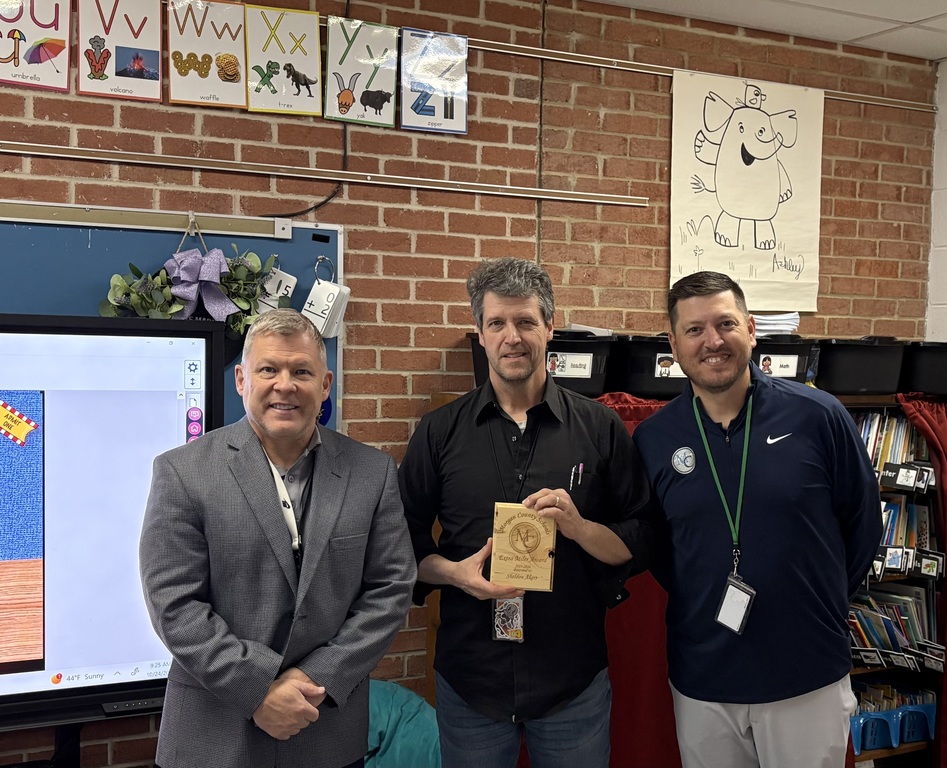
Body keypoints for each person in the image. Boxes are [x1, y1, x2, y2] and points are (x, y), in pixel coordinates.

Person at [398, 257, 654, 768]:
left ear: (550, 327)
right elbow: (401, 544)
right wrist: (456, 574)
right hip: (472, 681)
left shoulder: (599, 428)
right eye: (497, 323)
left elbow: (641, 535)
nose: (512, 337)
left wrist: (580, 528)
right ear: (480, 332)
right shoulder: (438, 431)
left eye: (525, 322)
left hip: (571, 681)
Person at [139, 308, 416, 768]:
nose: (284, 384)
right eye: (269, 369)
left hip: (324, 729)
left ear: (324, 385)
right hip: (213, 737)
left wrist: (314, 679)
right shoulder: (182, 472)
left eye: (301, 371)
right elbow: (174, 605)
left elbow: (390, 591)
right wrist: (258, 690)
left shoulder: (372, 473)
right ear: (242, 380)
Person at [633, 271, 882, 768]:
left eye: (725, 324)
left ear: (750, 329)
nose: (713, 341)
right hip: (704, 677)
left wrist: (819, 601)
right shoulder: (655, 438)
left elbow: (863, 526)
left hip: (805, 671)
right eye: (695, 330)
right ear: (674, 345)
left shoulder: (818, 416)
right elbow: (660, 549)